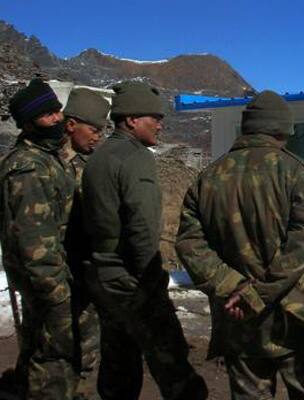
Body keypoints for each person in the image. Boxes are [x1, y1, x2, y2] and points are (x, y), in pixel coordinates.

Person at [176, 90, 304, 400]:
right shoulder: (296, 172)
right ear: (283, 129)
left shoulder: (207, 178)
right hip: (297, 317)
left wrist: (234, 286)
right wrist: (259, 293)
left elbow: (189, 244)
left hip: (239, 320)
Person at [80, 81, 207, 400]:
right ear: (132, 120)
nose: (161, 124)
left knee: (118, 368)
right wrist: (151, 280)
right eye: (154, 117)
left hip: (104, 277)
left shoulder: (99, 157)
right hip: (133, 282)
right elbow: (142, 227)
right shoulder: (135, 157)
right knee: (174, 367)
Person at [0, 78, 78, 399]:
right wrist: (58, 295)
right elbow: (36, 244)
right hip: (45, 284)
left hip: (52, 277)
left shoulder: (49, 157)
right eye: (47, 115)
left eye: (57, 111)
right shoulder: (28, 167)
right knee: (53, 364)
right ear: (29, 123)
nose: (57, 119)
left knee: (40, 354)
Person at [59, 87, 110, 399]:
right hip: (57, 276)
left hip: (85, 273)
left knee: (87, 350)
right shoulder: (48, 165)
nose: (97, 137)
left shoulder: (89, 164)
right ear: (71, 125)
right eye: (93, 129)